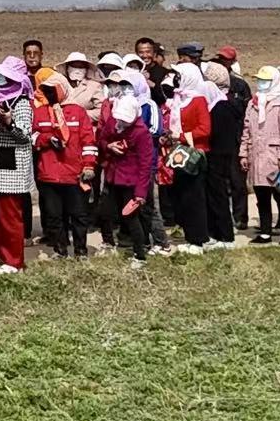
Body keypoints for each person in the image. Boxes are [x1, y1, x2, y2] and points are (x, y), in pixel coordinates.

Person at [96, 70, 159, 266]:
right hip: (113, 176)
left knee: (131, 218)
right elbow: (101, 139)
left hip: (130, 181)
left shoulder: (141, 133)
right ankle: (108, 242)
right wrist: (109, 146)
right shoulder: (114, 122)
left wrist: (140, 193)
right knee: (105, 212)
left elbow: (145, 164)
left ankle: (139, 254)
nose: (121, 122)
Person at [32, 73, 95, 258]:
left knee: (78, 215)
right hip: (49, 173)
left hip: (74, 173)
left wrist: (89, 166)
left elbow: (88, 141)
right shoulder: (40, 112)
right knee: (54, 216)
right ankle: (60, 250)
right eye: (47, 90)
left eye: (53, 90)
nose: (50, 94)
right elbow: (33, 136)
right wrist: (47, 139)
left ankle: (81, 251)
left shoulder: (78, 112)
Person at [0, 57, 36, 273]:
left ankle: (14, 261)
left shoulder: (21, 103)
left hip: (12, 168)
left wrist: (9, 124)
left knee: (10, 216)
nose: (0, 79)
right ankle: (1, 254)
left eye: (5, 76)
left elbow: (25, 135)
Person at [160, 64, 214, 252]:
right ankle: (189, 235)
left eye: (179, 75)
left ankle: (198, 239)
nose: (176, 78)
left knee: (194, 198)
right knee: (181, 197)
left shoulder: (198, 100)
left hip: (194, 155)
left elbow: (205, 129)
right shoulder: (177, 99)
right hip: (177, 154)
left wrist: (181, 136)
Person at [242, 67, 280, 244]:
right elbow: (246, 131)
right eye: (259, 80)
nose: (261, 83)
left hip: (276, 158)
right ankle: (265, 232)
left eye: (265, 80)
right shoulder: (252, 104)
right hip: (257, 157)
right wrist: (243, 154)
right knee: (262, 197)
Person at [204, 60, 247, 240]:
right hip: (225, 151)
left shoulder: (220, 106)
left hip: (220, 154)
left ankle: (226, 234)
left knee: (222, 193)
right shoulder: (225, 103)